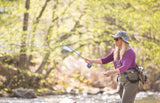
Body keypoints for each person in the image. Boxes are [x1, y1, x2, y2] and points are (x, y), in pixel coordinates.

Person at [84, 31, 139, 103]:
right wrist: (91, 61)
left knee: (126, 101)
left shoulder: (129, 52)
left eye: (117, 39)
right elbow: (104, 60)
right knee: (124, 101)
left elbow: (124, 67)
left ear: (122, 40)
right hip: (122, 79)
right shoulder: (115, 52)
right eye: (114, 39)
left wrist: (111, 72)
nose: (115, 41)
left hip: (131, 80)